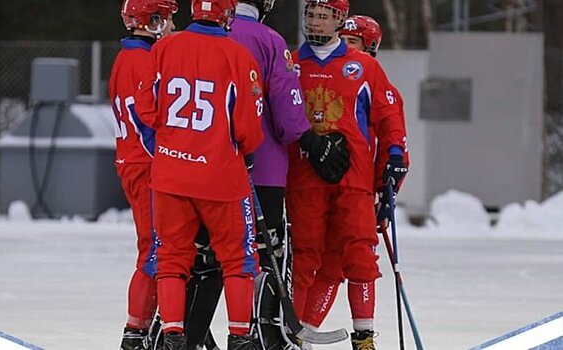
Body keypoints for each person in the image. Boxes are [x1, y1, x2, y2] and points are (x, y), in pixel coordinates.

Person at [180, 0, 351, 348]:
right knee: (261, 255)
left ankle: (184, 335)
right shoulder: (269, 40)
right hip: (261, 170)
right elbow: (287, 113)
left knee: (204, 257)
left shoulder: (185, 39)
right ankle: (261, 335)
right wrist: (311, 142)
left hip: (195, 168)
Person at [134, 0, 266, 348]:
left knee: (171, 258)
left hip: (170, 174)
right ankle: (240, 336)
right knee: (238, 259)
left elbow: (145, 108)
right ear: (226, 15)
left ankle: (173, 333)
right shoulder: (238, 56)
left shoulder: (163, 48)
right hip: (221, 178)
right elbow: (249, 128)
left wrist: (171, 142)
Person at [287, 2, 409, 350]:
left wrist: (395, 157)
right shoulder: (293, 63)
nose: (315, 21)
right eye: (311, 15)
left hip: (354, 179)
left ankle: (364, 335)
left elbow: (389, 118)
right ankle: (295, 334)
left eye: (323, 16)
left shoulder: (365, 67)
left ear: (337, 20)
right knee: (306, 256)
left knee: (358, 256)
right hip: (305, 178)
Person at [108, 1, 177, 349]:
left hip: (134, 161)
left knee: (156, 247)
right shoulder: (142, 60)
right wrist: (170, 159)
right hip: (146, 164)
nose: (171, 25)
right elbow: (145, 120)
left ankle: (146, 327)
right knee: (154, 250)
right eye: (165, 18)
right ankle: (135, 331)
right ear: (149, 21)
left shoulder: (128, 57)